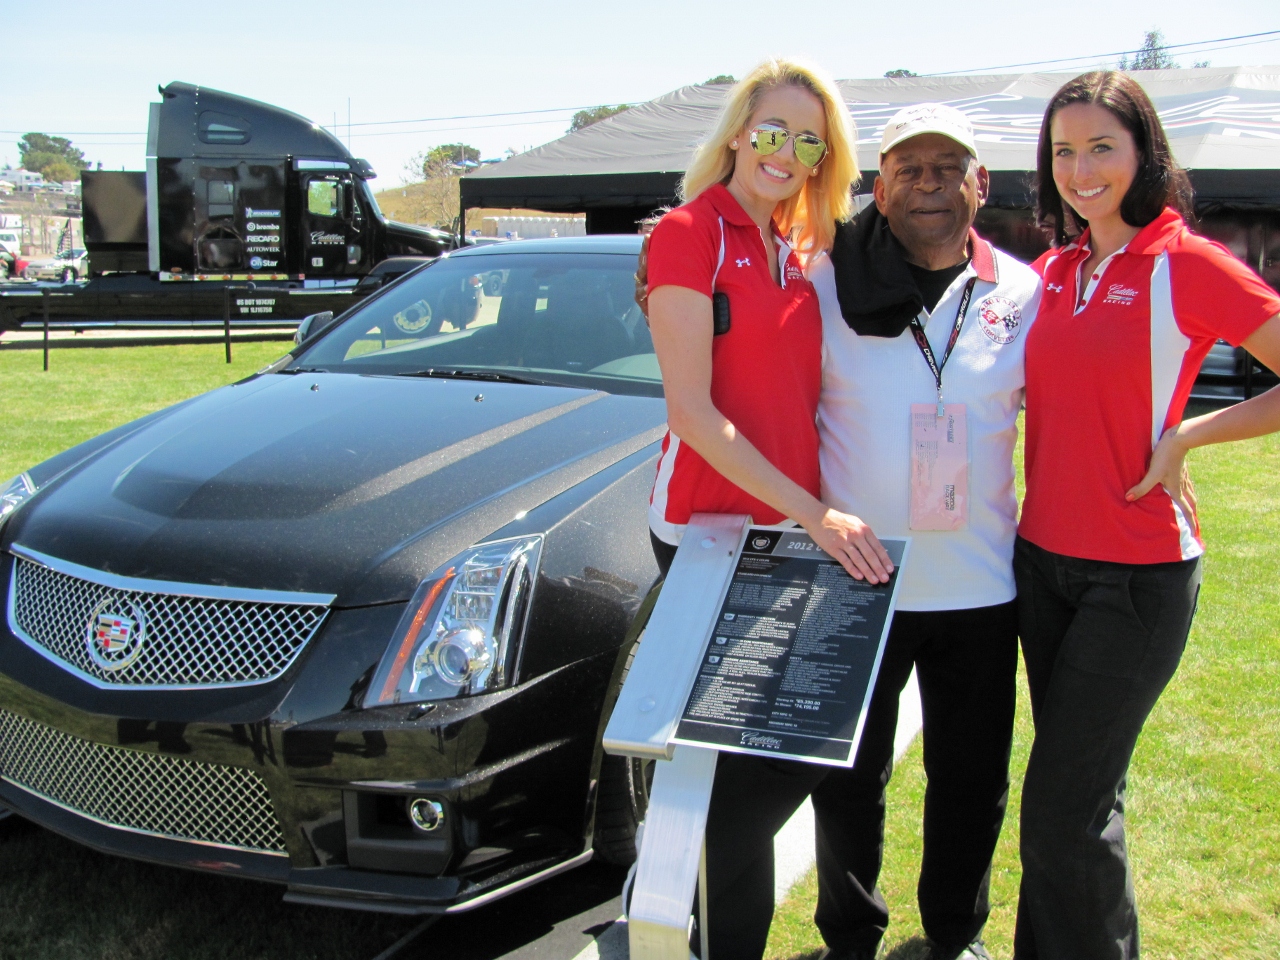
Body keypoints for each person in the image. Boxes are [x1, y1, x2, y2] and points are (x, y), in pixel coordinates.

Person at [1013, 71, 1280, 960]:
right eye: (1063, 152)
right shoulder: (1052, 272)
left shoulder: (1185, 263)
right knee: (1076, 801)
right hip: (1039, 567)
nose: (1080, 170)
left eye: (1101, 148)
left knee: (1061, 812)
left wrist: (1189, 436)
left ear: (1144, 154)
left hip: (1136, 577)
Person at [644, 58, 892, 959]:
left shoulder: (797, 245)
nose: (787, 152)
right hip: (710, 539)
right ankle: (706, 929)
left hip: (788, 533)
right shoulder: (688, 232)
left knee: (766, 768)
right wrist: (816, 514)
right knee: (738, 782)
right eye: (774, 130)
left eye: (810, 141)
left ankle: (706, 922)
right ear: (741, 129)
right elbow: (693, 415)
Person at [804, 104, 1041, 960]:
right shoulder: (825, 283)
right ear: (879, 184)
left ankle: (954, 933)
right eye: (910, 168)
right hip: (855, 575)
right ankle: (850, 935)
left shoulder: (1023, 291)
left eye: (950, 167)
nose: (930, 184)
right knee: (847, 778)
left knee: (971, 781)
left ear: (981, 184)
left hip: (978, 582)